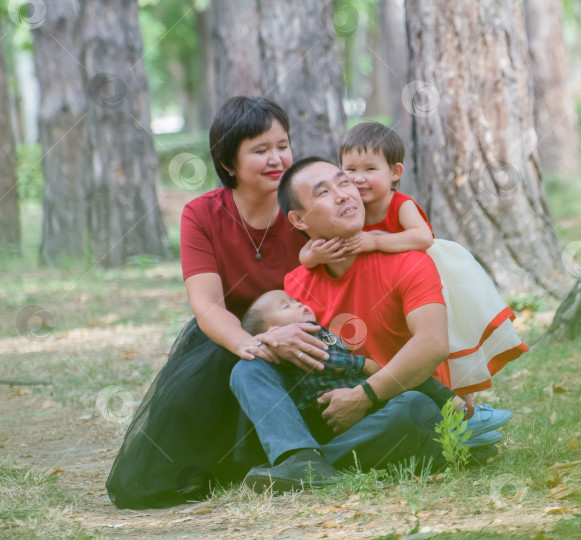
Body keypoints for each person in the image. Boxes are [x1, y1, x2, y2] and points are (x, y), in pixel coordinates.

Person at [106, 97, 335, 509]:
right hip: (228, 335)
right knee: (226, 362)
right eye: (260, 150)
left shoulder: (306, 208)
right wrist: (256, 344)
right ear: (228, 161)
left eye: (282, 145)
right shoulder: (202, 214)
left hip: (307, 329)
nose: (276, 159)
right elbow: (207, 304)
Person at [232, 157, 511, 493]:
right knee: (246, 369)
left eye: (344, 183)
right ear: (298, 219)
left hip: (390, 406)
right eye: (323, 193)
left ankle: (310, 465)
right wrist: (271, 340)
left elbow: (432, 344)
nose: (343, 195)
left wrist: (364, 396)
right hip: (326, 411)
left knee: (415, 408)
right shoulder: (295, 285)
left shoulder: (409, 262)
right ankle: (302, 457)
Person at [300, 122, 528, 397]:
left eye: (370, 169)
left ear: (395, 172)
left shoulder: (399, 203)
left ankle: (461, 395)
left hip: (423, 278)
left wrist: (375, 241)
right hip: (378, 287)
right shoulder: (347, 209)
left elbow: (423, 238)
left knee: (446, 336)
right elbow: (305, 256)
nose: (358, 178)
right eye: (350, 170)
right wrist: (314, 255)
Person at [240, 290, 505, 447]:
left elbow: (336, 349)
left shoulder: (313, 332)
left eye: (294, 300)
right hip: (333, 402)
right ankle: (461, 416)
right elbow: (328, 360)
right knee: (408, 386)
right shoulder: (301, 342)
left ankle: (461, 426)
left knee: (406, 386)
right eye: (286, 306)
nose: (298, 304)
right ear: (274, 332)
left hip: (345, 393)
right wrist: (364, 364)